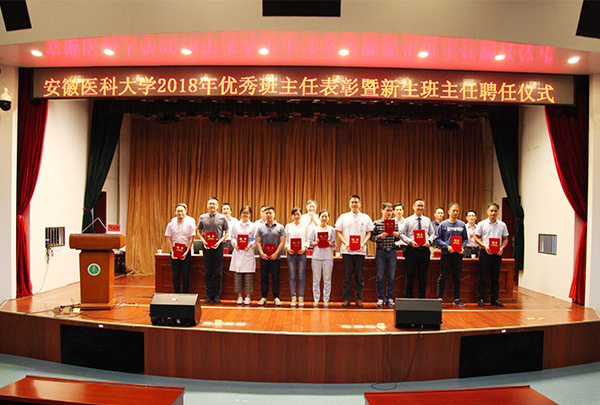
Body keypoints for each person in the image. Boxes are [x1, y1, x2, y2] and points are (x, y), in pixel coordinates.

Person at [335, 195, 374, 307]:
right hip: (347, 251)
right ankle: (346, 299)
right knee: (347, 277)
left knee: (359, 277)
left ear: (360, 204)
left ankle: (359, 299)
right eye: (352, 202)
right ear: (349, 204)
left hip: (360, 252)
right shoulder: (343, 217)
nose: (354, 204)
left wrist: (363, 243)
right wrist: (345, 243)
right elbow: (338, 232)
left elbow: (369, 233)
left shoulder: (366, 217)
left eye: (356, 202)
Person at [474, 203, 509, 307]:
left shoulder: (502, 225)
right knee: (482, 276)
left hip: (497, 254)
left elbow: (505, 239)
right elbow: (476, 237)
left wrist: (502, 248)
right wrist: (484, 246)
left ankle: (494, 299)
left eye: (495, 211)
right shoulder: (482, 224)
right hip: (485, 253)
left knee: (495, 277)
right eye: (491, 211)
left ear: (498, 212)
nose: (493, 213)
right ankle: (481, 298)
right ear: (487, 211)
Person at [399, 198, 436, 298]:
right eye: (418, 205)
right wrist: (410, 241)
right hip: (411, 250)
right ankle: (409, 297)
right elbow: (401, 234)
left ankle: (422, 298)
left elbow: (432, 233)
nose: (420, 207)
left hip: (424, 250)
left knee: (423, 276)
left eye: (422, 206)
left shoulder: (427, 220)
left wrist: (429, 241)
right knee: (410, 275)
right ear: (413, 207)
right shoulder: (408, 220)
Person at [197, 196, 229, 304]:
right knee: (208, 272)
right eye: (210, 203)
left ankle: (216, 295)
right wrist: (203, 241)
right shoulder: (202, 217)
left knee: (218, 272)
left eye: (214, 204)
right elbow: (198, 232)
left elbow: (227, 233)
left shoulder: (222, 218)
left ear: (217, 206)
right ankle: (209, 294)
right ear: (207, 205)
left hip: (218, 247)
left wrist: (219, 242)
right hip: (206, 247)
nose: (212, 205)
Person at [436, 203, 468, 307]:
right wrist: (446, 246)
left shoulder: (462, 225)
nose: (455, 213)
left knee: (457, 277)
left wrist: (462, 247)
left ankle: (457, 298)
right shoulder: (443, 224)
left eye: (457, 211)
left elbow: (465, 239)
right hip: (446, 254)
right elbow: (438, 239)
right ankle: (440, 298)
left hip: (458, 255)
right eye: (453, 211)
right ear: (449, 212)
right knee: (443, 276)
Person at [255, 206, 286, 307]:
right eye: (266, 213)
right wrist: (261, 253)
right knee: (264, 278)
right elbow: (258, 242)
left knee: (275, 277)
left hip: (275, 257)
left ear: (274, 214)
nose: (268, 215)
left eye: (270, 213)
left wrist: (276, 253)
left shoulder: (280, 227)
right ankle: (263, 297)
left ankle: (276, 297)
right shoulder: (260, 228)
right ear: (264, 215)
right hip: (264, 257)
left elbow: (282, 242)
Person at [371, 202, 400, 307]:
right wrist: (380, 237)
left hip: (392, 251)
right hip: (381, 252)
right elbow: (371, 238)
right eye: (387, 210)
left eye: (391, 211)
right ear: (382, 211)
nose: (389, 213)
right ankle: (380, 298)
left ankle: (389, 298)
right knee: (380, 276)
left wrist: (397, 235)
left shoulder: (395, 223)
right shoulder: (376, 223)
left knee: (391, 277)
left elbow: (398, 238)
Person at [164, 203, 196, 293]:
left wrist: (187, 252)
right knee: (175, 274)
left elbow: (191, 239)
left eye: (182, 211)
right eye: (178, 211)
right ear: (175, 212)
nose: (180, 213)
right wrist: (172, 252)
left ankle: (185, 294)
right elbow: (168, 238)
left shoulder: (190, 224)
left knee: (186, 274)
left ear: (185, 212)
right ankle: (177, 293)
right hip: (174, 250)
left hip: (185, 250)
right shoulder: (170, 225)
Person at [229, 205, 256, 305]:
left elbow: (254, 239)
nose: (245, 214)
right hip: (238, 253)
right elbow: (232, 237)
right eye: (243, 212)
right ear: (240, 214)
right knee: (238, 276)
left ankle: (248, 296)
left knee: (248, 277)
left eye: (247, 213)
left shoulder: (253, 226)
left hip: (248, 253)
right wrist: (235, 244)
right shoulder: (235, 225)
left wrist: (250, 245)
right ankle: (239, 296)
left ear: (250, 214)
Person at [309, 210, 336, 307]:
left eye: (326, 216)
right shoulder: (314, 229)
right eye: (322, 216)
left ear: (328, 218)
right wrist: (316, 242)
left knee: (327, 280)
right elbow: (310, 243)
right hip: (316, 257)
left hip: (328, 257)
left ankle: (326, 299)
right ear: (319, 218)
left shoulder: (331, 229)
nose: (324, 218)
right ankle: (316, 299)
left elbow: (334, 245)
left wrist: (329, 243)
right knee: (316, 280)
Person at [285, 207, 310, 307]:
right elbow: (286, 240)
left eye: (298, 214)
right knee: (292, 275)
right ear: (292, 216)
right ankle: (293, 297)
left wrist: (304, 248)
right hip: (291, 253)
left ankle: (301, 297)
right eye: (294, 214)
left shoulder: (305, 226)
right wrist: (287, 248)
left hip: (301, 253)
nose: (296, 216)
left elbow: (307, 240)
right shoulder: (288, 226)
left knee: (301, 275)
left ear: (301, 215)